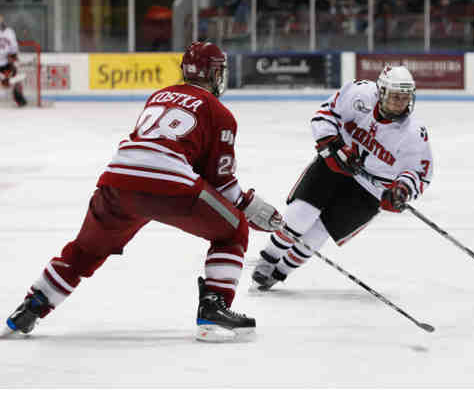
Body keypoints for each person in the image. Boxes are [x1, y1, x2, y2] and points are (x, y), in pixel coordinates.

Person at [2, 41, 282, 342]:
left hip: (117, 180)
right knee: (233, 230)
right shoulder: (220, 113)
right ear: (215, 74)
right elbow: (220, 181)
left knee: (86, 250)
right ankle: (213, 308)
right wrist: (247, 205)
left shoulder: (159, 96)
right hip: (168, 184)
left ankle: (32, 306)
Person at [251, 65, 434, 290]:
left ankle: (281, 271)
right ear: (381, 92)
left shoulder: (414, 132)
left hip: (371, 189)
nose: (400, 103)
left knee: (319, 232)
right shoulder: (359, 94)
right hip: (337, 162)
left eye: (405, 97)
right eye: (395, 96)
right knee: (300, 215)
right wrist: (330, 144)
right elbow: (326, 115)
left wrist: (401, 190)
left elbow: (418, 173)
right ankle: (268, 258)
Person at [0, 14, 27, 107]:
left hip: (6, 62)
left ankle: (19, 99)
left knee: (14, 81)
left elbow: (13, 47)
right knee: (6, 82)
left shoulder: (9, 32)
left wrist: (14, 57)